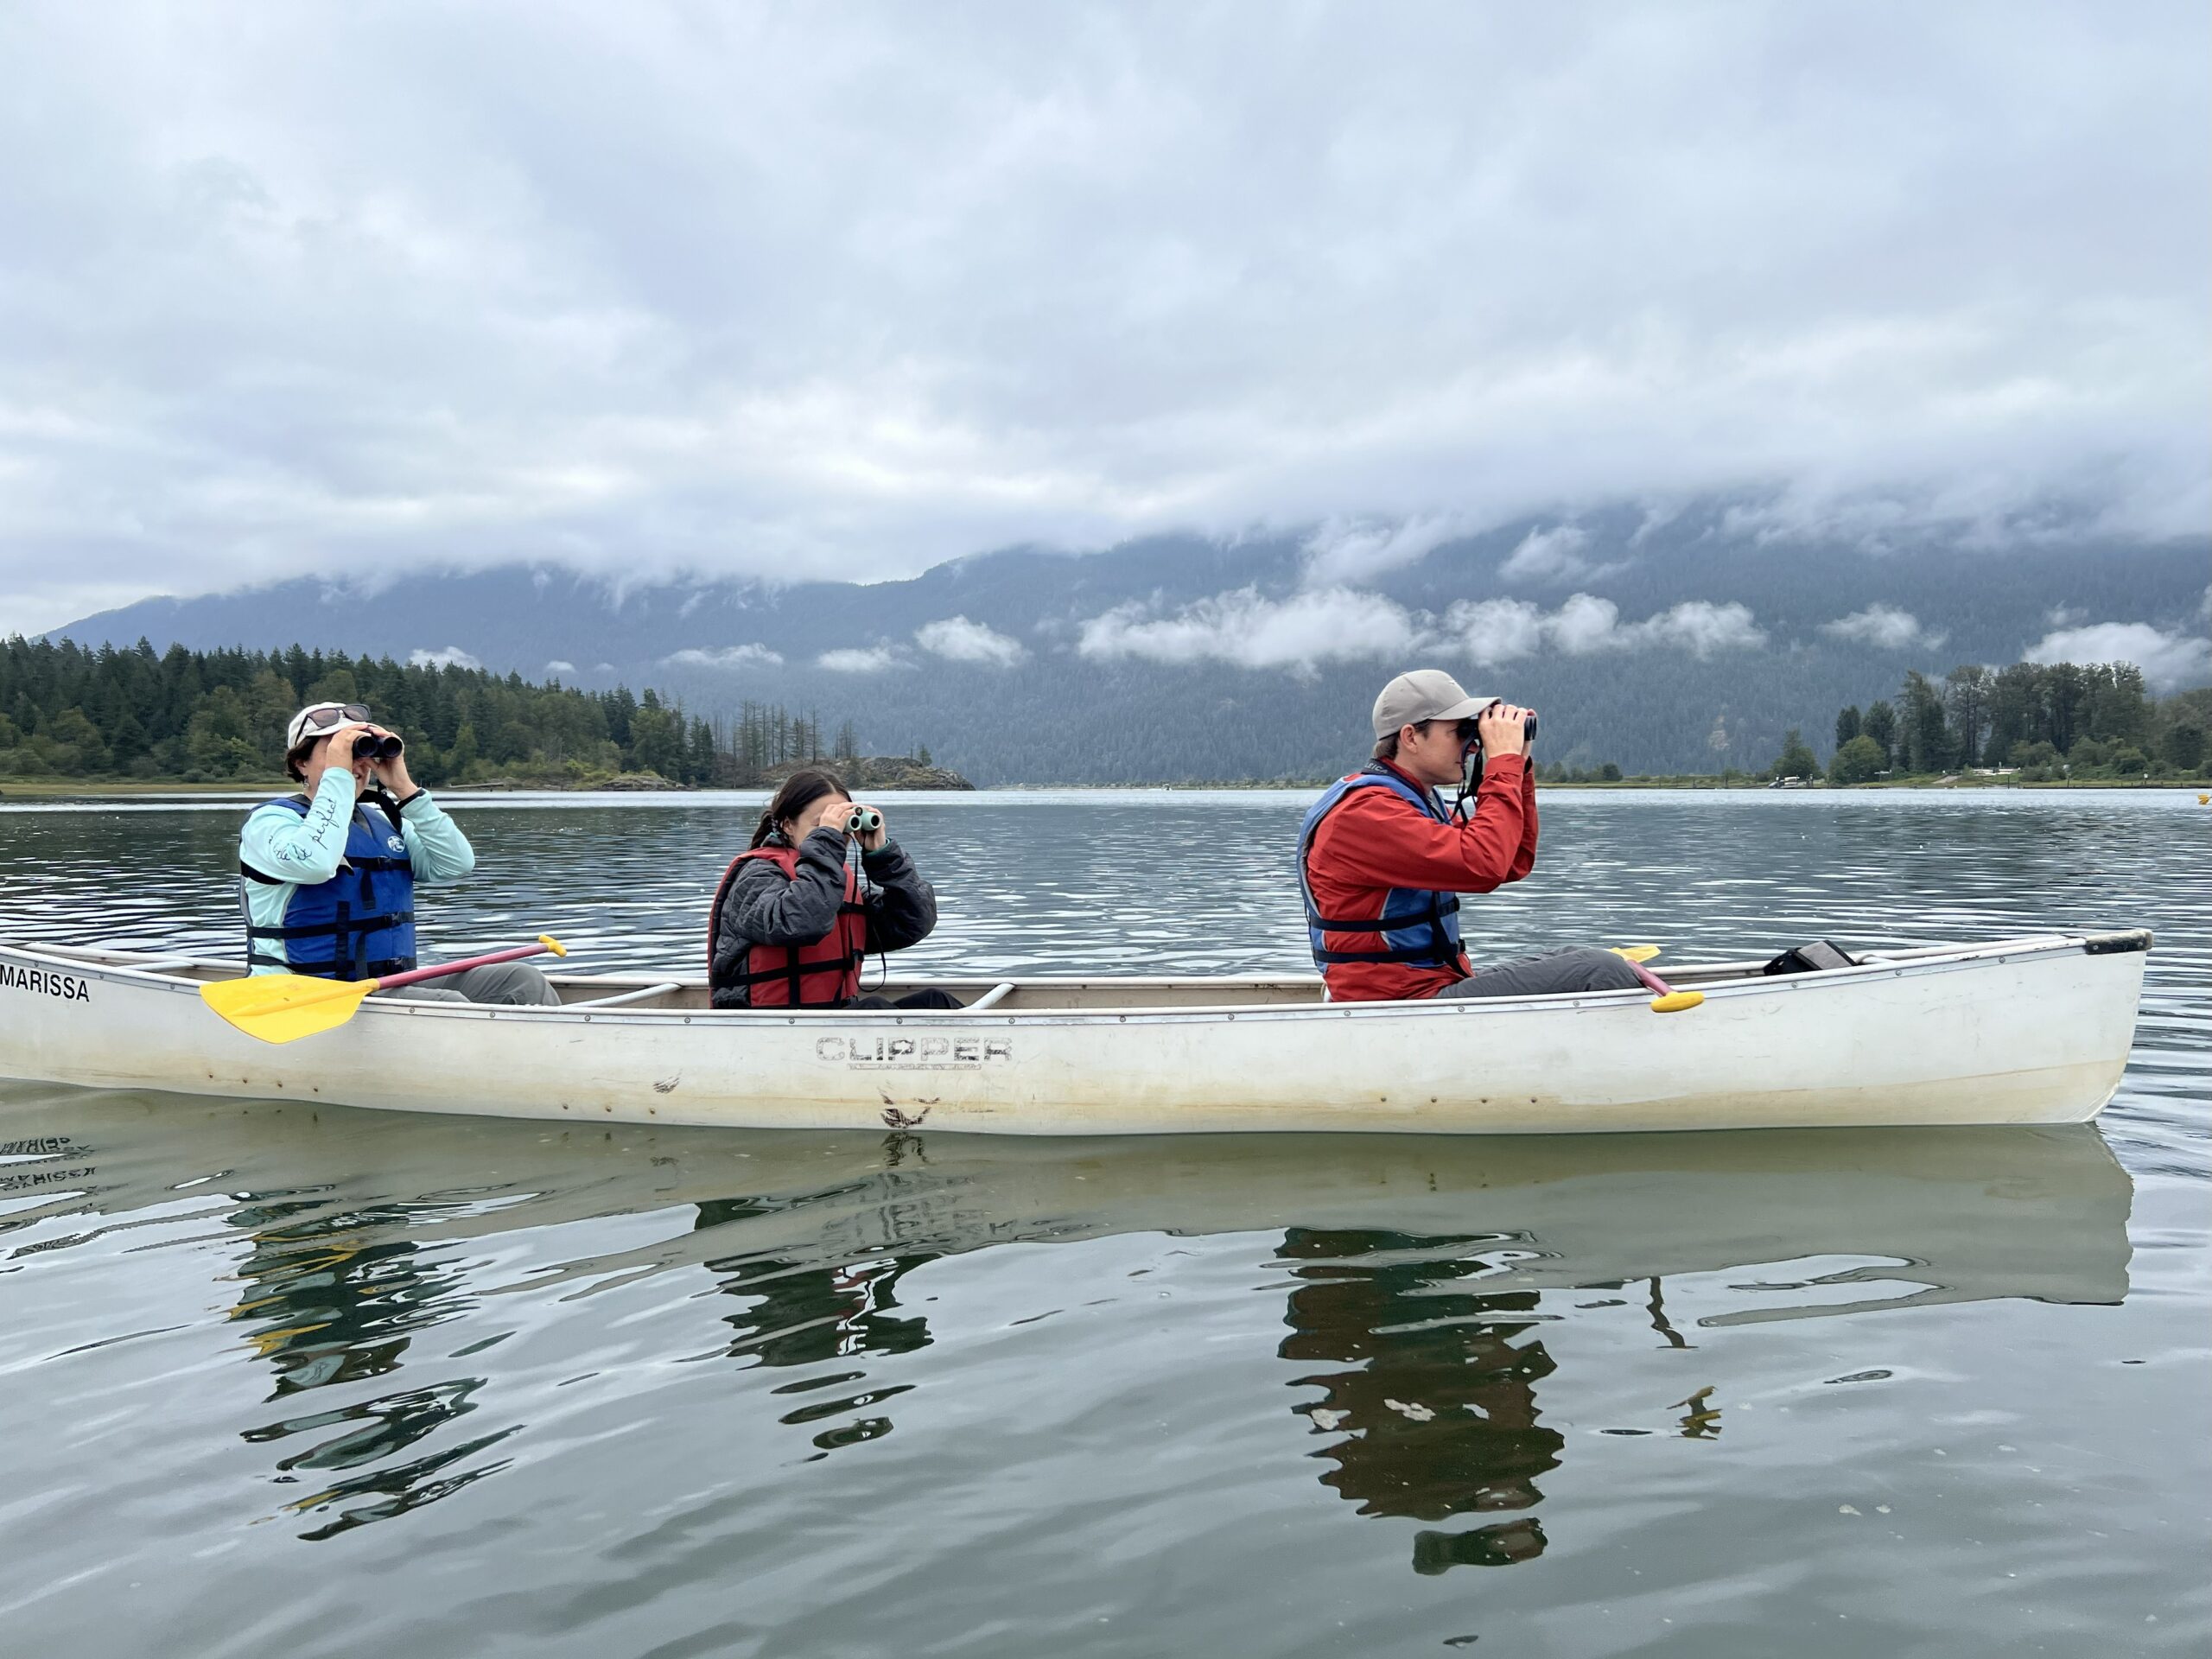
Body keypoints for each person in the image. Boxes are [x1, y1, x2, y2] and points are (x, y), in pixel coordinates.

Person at [1298, 669, 1643, 1002]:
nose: (1474, 747)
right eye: (1461, 732)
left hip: (1429, 986)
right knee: (1599, 970)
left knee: (1577, 956)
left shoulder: (1411, 800)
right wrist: (1501, 763)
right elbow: (1483, 864)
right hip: (1401, 1001)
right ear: (1410, 737)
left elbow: (1512, 861)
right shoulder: (1365, 814)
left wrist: (1517, 767)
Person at [238, 702, 559, 1005]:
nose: (355, 764)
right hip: (303, 991)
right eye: (338, 752)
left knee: (524, 979)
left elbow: (457, 864)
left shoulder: (384, 823)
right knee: (449, 1006)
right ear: (301, 762)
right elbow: (316, 863)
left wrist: (405, 788)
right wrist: (338, 776)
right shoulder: (270, 822)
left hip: (387, 985)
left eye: (358, 754)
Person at [709, 767, 957, 1010]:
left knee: (937, 1001)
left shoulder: (832, 885)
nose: (837, 836)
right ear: (787, 825)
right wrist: (828, 841)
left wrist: (883, 856)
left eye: (842, 825)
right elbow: (800, 923)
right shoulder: (755, 877)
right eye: (821, 825)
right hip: (770, 1028)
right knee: (874, 1008)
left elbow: (912, 923)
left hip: (831, 1026)